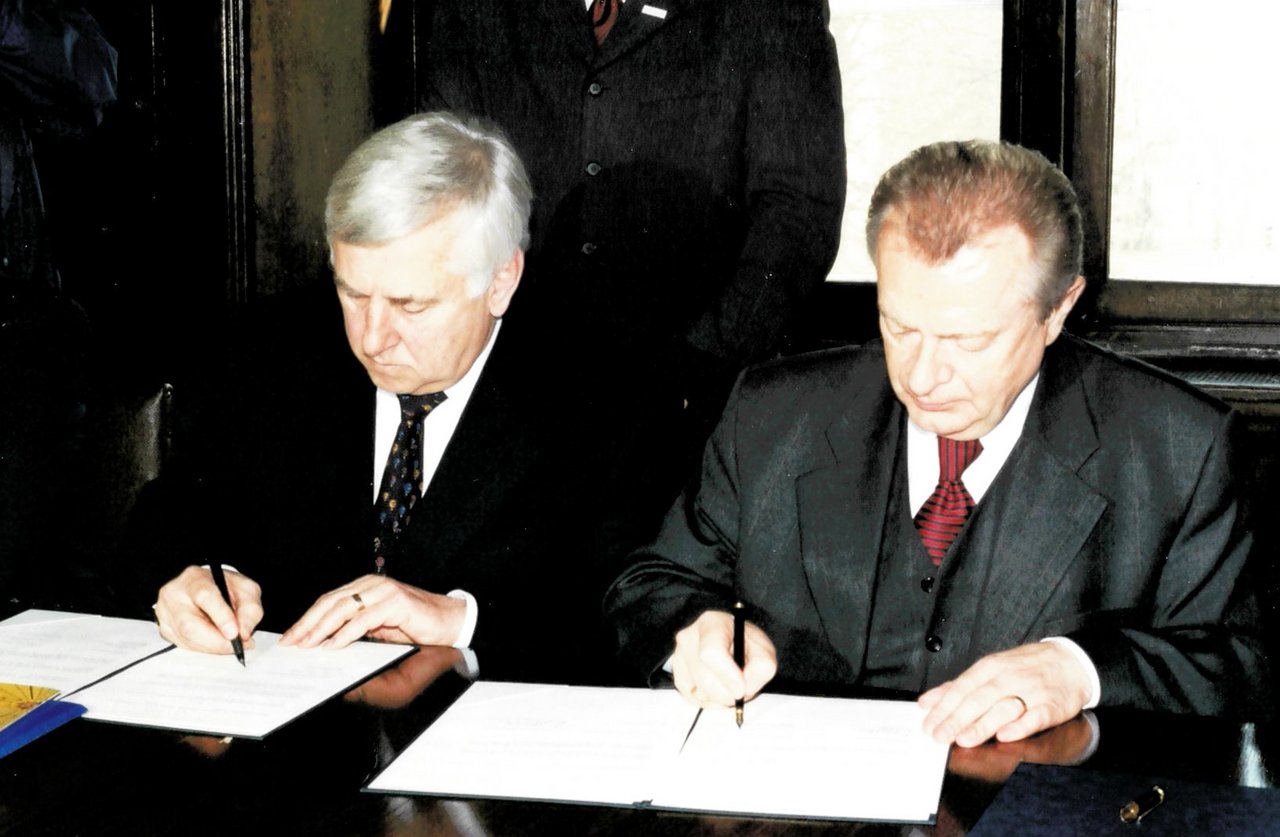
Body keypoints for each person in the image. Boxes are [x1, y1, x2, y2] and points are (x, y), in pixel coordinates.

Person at [605, 139, 1268, 747]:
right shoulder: (776, 414)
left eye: (969, 341)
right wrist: (692, 629)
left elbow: (1243, 666)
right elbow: (652, 582)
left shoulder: (1178, 449)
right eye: (899, 326)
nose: (923, 377)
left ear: (1058, 310)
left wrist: (1083, 669)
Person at [147, 112, 616, 680]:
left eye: (410, 305)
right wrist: (185, 576)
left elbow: (621, 614)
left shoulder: (594, 395)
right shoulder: (277, 350)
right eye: (352, 293)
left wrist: (459, 619)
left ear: (500, 281)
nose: (371, 338)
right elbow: (167, 513)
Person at [414, 0, 846, 544]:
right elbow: (436, 181)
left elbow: (799, 209)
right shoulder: (473, 12)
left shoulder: (765, 11)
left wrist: (700, 361)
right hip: (520, 392)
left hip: (695, 402)